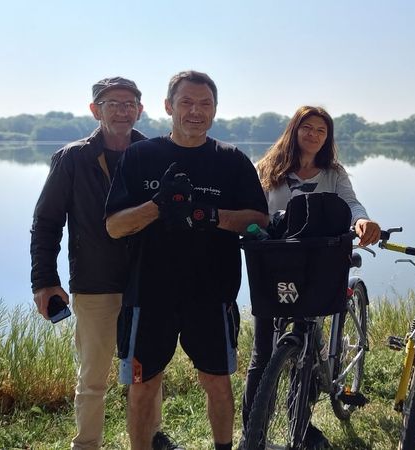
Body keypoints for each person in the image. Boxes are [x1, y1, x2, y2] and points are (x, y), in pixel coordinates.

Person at [105, 70, 268, 450]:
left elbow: (258, 219)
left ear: (215, 109)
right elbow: (114, 226)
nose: (196, 111)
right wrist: (157, 206)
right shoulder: (140, 156)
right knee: (144, 385)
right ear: (168, 107)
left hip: (212, 294)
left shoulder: (230, 159)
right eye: (186, 102)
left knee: (217, 381)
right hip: (149, 294)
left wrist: (209, 215)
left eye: (205, 103)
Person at [30, 77, 178, 449]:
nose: (122, 111)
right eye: (113, 103)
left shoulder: (156, 153)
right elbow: (47, 222)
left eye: (130, 104)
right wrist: (44, 280)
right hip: (95, 282)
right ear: (95, 110)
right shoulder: (73, 158)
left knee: (147, 373)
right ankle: (87, 444)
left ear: (141, 110)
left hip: (149, 282)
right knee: (93, 377)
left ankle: (152, 436)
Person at [241, 105, 381, 448]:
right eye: (308, 128)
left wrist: (362, 222)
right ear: (295, 130)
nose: (314, 135)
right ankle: (253, 432)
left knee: (309, 343)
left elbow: (351, 204)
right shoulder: (268, 169)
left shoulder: (333, 173)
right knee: (263, 353)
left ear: (327, 137)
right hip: (276, 266)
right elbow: (252, 210)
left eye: (321, 130)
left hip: (319, 264)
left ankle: (299, 429)